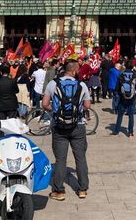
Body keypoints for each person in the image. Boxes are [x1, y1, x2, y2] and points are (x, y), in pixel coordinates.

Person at [42, 61, 91, 201]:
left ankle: (59, 191)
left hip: (59, 126)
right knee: (80, 157)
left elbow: (44, 104)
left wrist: (57, 111)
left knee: (60, 159)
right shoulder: (81, 85)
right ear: (74, 71)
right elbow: (87, 105)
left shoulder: (53, 84)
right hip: (78, 126)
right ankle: (82, 189)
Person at [112, 60, 136, 138]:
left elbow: (117, 88)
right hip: (132, 98)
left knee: (120, 115)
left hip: (122, 97)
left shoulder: (121, 74)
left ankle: (116, 131)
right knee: (131, 115)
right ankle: (130, 132)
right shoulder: (135, 75)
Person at [0, 64, 20, 137]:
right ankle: (12, 136)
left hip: (1, 104)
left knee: (1, 123)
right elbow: (17, 91)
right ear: (9, 72)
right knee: (12, 122)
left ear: (1, 72)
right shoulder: (12, 81)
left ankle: (0, 137)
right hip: (11, 104)